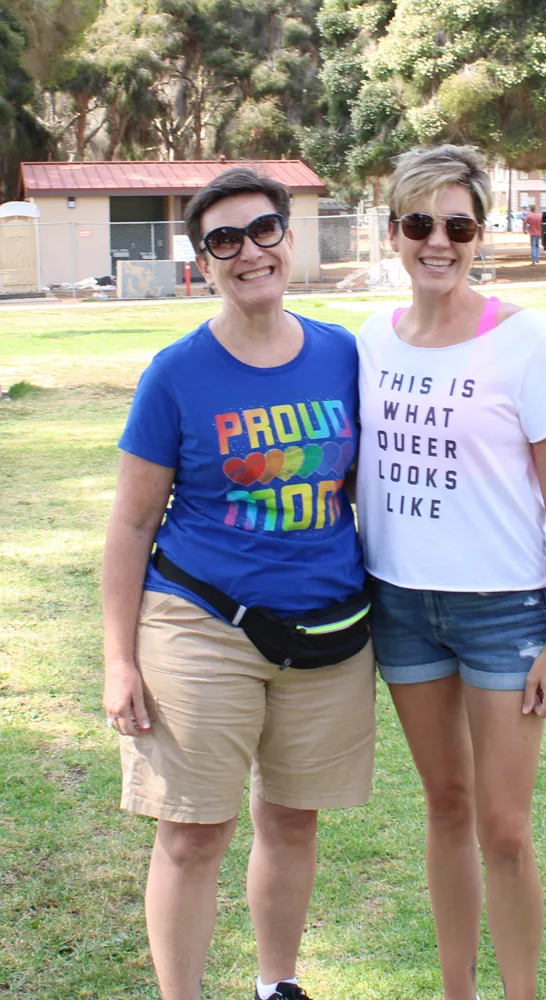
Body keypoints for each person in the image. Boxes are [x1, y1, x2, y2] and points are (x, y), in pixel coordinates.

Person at [101, 167, 376, 1000]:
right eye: (224, 240)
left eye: (263, 230)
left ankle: (275, 985)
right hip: (201, 625)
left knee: (292, 816)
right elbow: (131, 524)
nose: (249, 251)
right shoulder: (176, 373)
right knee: (193, 833)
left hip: (325, 632)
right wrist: (118, 659)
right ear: (204, 262)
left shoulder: (342, 354)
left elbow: (363, 485)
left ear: (288, 237)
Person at [356, 145, 546, 1000]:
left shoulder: (523, 339)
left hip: (505, 612)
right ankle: (457, 990)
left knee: (505, 829)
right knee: (445, 806)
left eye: (457, 226)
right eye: (419, 223)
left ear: (480, 235)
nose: (437, 242)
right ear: (394, 232)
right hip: (401, 606)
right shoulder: (370, 341)